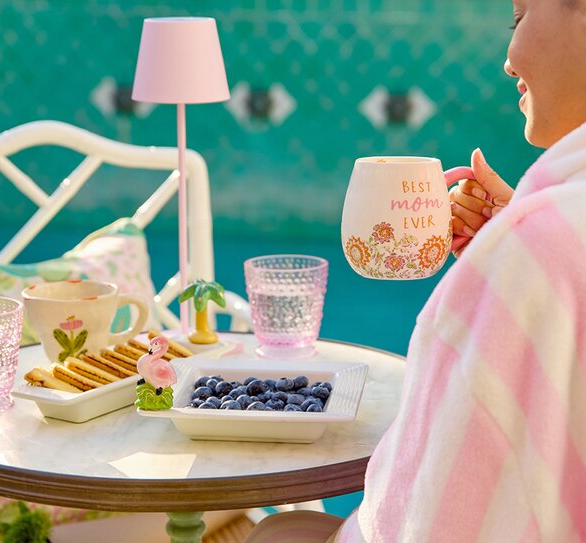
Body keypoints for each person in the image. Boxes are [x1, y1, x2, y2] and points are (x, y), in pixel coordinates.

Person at [250, 0, 586, 540]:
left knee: (276, 534)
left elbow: (438, 507)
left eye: (520, 17)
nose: (507, 62)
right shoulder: (547, 230)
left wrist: (516, 254)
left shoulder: (542, 245)